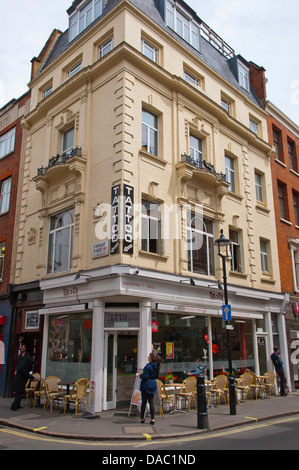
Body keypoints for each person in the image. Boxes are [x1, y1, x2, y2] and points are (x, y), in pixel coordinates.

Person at [136, 351, 162, 425]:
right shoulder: (157, 366)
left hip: (146, 385)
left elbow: (145, 376)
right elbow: (157, 376)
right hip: (153, 384)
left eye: (149, 356)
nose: (148, 357)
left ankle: (142, 418)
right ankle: (152, 419)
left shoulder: (148, 366)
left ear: (151, 358)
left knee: (144, 402)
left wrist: (140, 375)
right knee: (151, 402)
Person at [11, 344, 34, 411]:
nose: (22, 348)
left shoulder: (26, 357)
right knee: (19, 392)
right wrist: (32, 378)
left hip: (21, 378)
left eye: (24, 347)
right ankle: (14, 406)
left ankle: (18, 405)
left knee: (20, 392)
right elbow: (25, 371)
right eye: (22, 347)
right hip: (19, 379)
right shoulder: (23, 363)